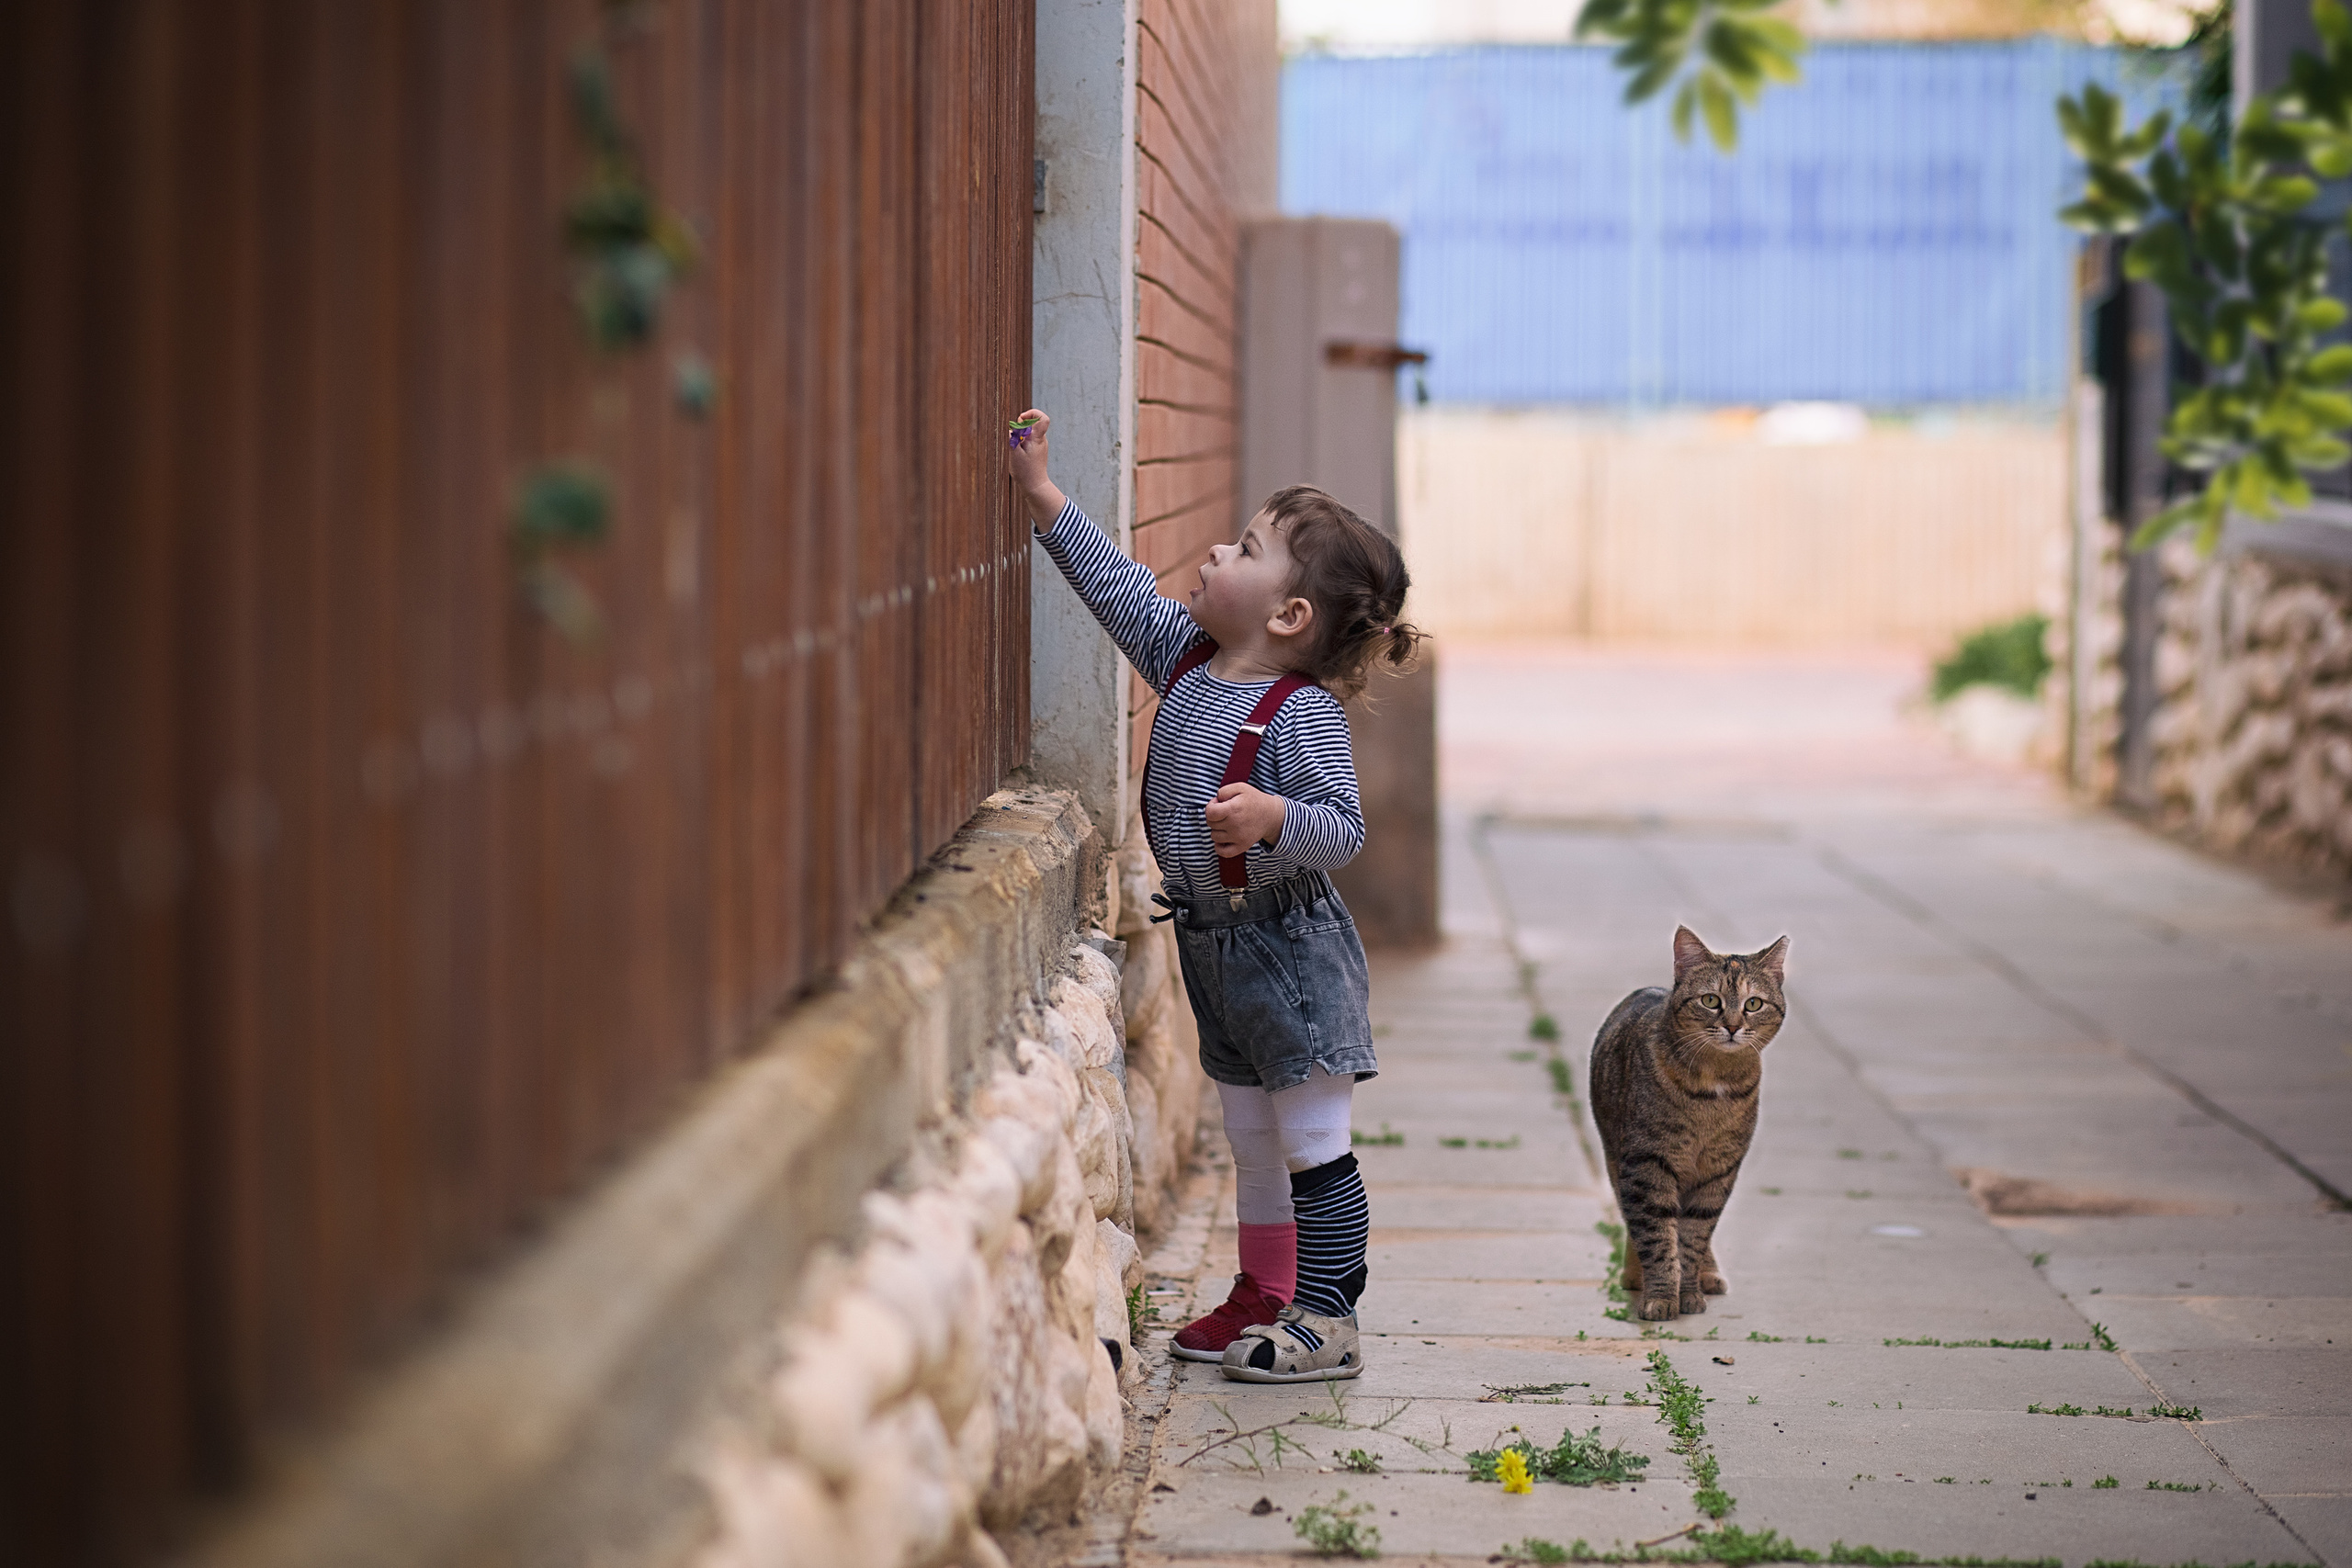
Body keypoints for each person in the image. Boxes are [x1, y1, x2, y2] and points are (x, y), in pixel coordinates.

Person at [1004, 408, 1420, 1382]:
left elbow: (1343, 832)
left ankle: (1328, 1316)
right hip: (1215, 947)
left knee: (1312, 1139)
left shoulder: (1299, 712)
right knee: (1250, 1135)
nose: (1211, 549)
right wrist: (1042, 497)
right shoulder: (1188, 661)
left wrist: (1276, 818)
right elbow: (1117, 591)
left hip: (1290, 952)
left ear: (1287, 618)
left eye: (1243, 547)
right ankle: (1265, 1292)